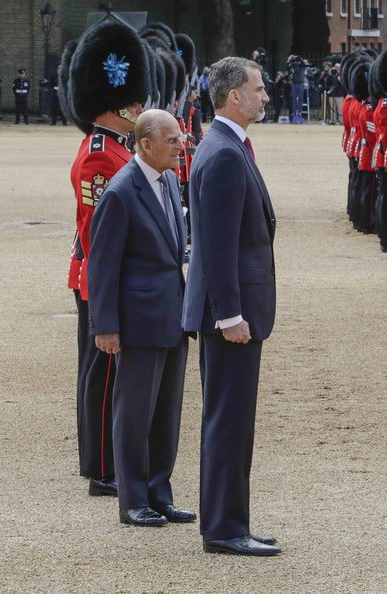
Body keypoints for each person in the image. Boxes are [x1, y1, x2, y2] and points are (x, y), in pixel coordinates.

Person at [182, 56, 281, 556]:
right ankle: (223, 527)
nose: (266, 96)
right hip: (231, 314)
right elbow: (217, 246)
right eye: (258, 89)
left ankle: (230, 521)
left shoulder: (225, 145)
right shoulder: (222, 152)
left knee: (233, 421)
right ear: (233, 96)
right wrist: (229, 315)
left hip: (235, 308)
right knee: (227, 421)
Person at [87, 109, 195, 528]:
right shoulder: (119, 192)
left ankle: (159, 492)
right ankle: (133, 499)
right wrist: (106, 326)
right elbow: (102, 266)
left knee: (166, 413)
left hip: (172, 313)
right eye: (171, 140)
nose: (180, 146)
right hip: (138, 319)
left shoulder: (168, 179)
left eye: (180, 138)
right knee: (134, 413)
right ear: (145, 144)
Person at [66, 17, 151, 499]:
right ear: (115, 102)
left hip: (103, 277)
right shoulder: (101, 153)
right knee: (102, 374)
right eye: (133, 101)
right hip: (100, 278)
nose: (139, 108)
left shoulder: (116, 148)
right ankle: (101, 467)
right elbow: (99, 234)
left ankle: (96, 458)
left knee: (100, 371)